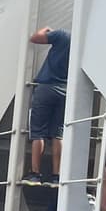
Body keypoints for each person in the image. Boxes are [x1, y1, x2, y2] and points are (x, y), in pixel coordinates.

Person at [25, 25, 71, 186]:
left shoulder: (62, 35)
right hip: (66, 90)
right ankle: (56, 176)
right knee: (58, 134)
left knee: (38, 132)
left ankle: (35, 174)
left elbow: (35, 37)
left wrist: (46, 29)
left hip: (47, 87)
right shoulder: (83, 42)